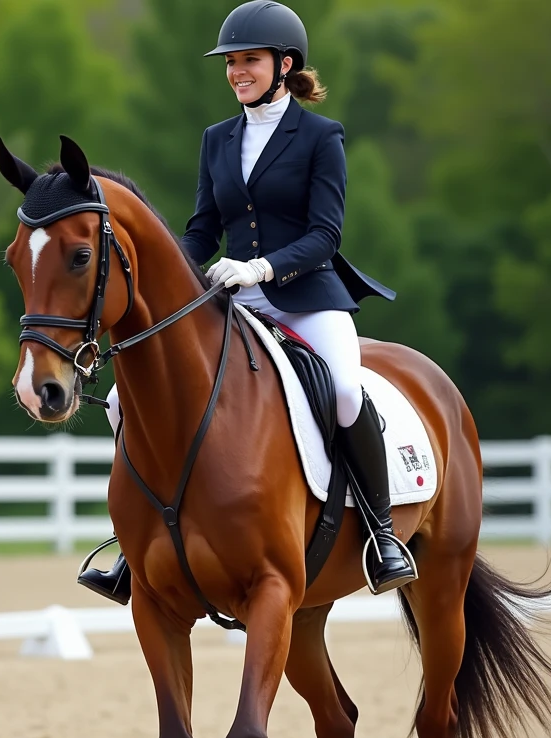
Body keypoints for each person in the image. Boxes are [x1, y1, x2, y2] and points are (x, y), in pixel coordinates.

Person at [78, 0, 416, 605]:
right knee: (121, 398)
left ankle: (382, 532)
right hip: (234, 298)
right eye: (231, 62)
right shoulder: (217, 139)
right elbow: (203, 229)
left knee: (342, 390)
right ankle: (135, 545)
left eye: (250, 61)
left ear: (285, 65)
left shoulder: (320, 137)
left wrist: (261, 266)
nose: (237, 71)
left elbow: (325, 235)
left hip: (307, 296)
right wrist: (174, 274)